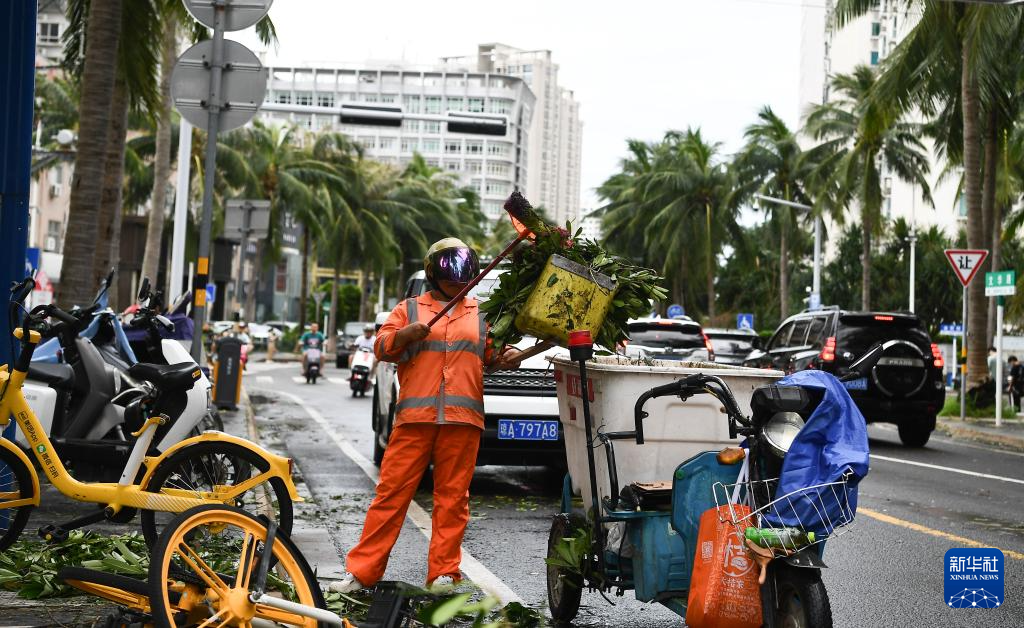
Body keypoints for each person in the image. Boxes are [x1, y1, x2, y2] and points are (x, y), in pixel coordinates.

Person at [331, 238, 522, 593]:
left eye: (464, 270)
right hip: (415, 420)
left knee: (453, 500)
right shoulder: (411, 309)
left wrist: (510, 356)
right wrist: (404, 334)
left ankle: (443, 574)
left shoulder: (482, 313)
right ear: (433, 271)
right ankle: (362, 573)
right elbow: (382, 348)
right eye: (449, 269)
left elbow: (492, 355)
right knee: (390, 496)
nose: (456, 277)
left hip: (462, 422)